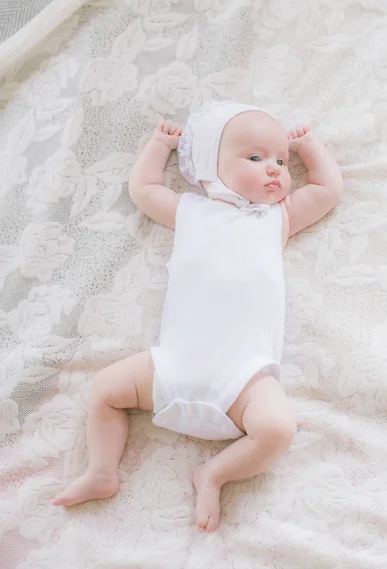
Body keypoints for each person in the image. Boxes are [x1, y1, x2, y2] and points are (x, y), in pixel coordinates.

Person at [52, 101, 343, 533]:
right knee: (106, 390)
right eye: (257, 157)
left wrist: (312, 150)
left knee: (279, 430)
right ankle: (101, 470)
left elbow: (325, 190)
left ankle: (215, 474)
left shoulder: (274, 219)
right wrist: (158, 146)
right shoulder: (192, 211)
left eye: (282, 161)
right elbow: (145, 189)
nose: (276, 169)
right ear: (209, 165)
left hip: (243, 377)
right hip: (173, 363)